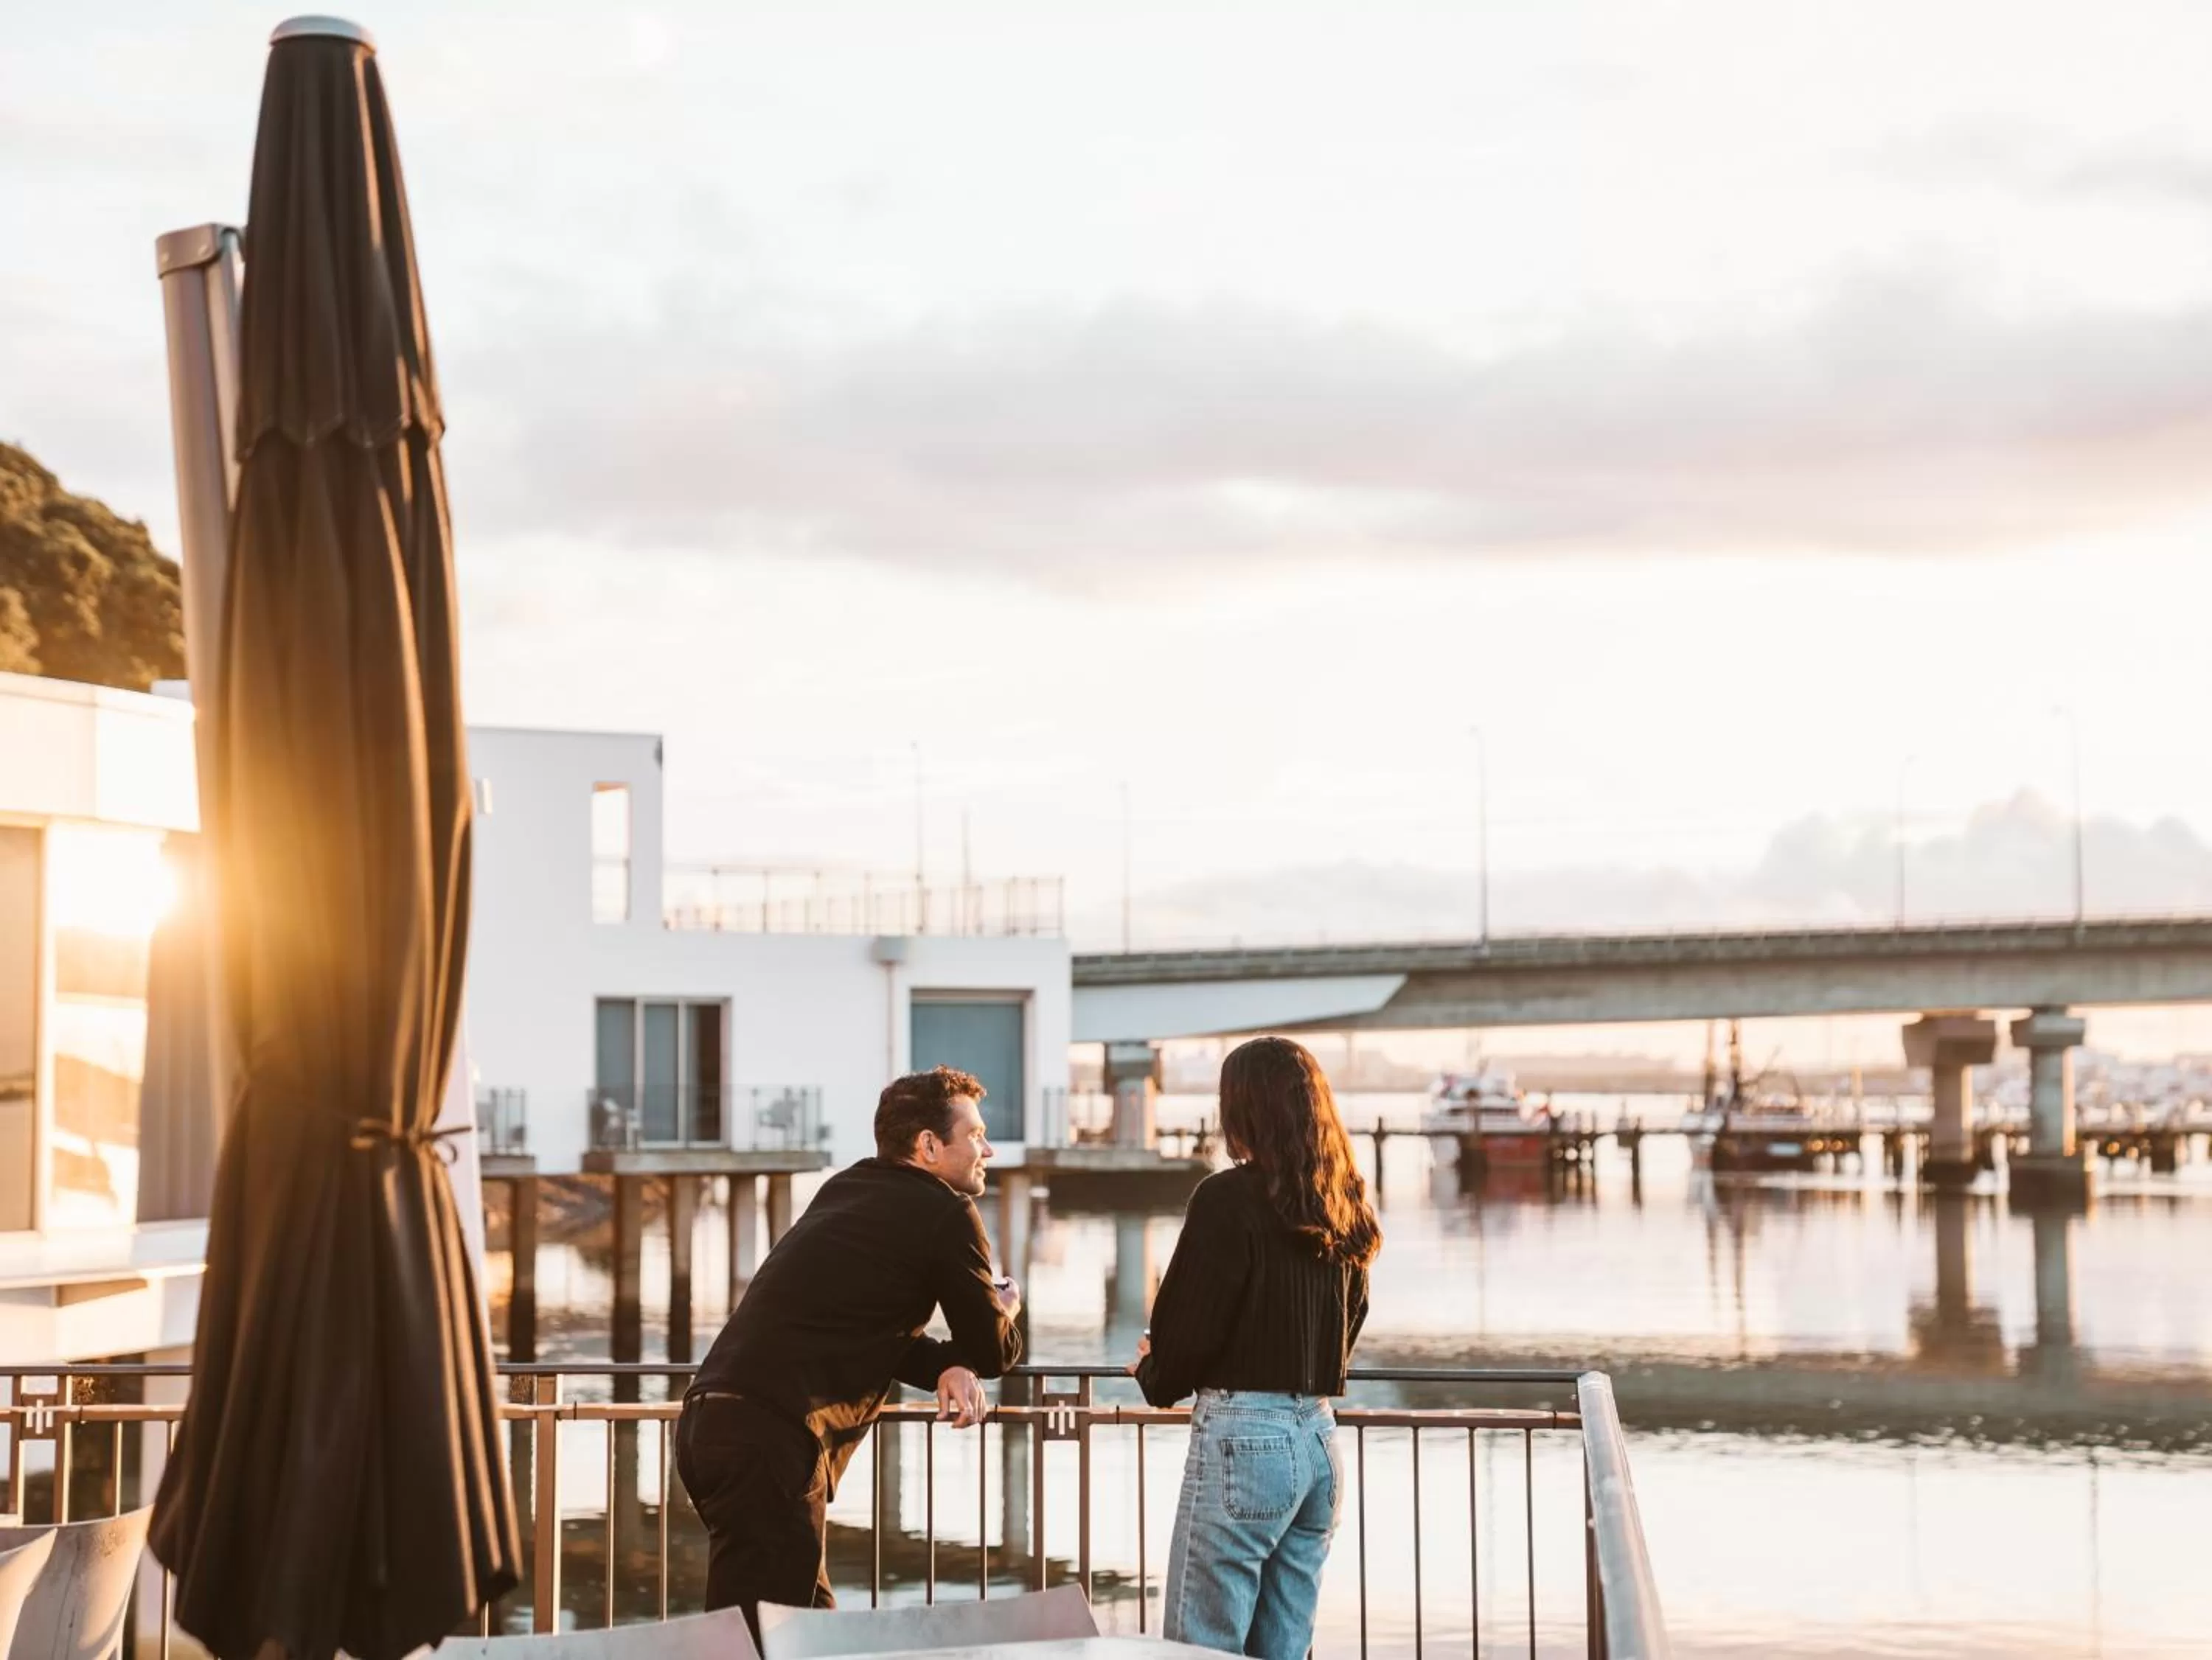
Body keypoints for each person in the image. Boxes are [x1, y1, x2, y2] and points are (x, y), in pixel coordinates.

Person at [675, 1066, 1023, 1639]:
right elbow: (994, 1350)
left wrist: (945, 1365)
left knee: (807, 1630)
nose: (988, 1149)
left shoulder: (846, 1188)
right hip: (774, 1439)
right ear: (929, 1146)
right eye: (976, 1135)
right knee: (763, 1638)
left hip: (708, 1423)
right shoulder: (946, 1211)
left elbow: (868, 1329)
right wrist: (1004, 1307)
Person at [1133, 1035, 1380, 1659]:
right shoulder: (1342, 1197)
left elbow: (1189, 1326)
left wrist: (1153, 1373)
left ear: (1242, 1110)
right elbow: (1354, 1315)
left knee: (1201, 1646)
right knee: (1284, 1645)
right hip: (1320, 1437)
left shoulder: (1226, 1198)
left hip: (1245, 1439)